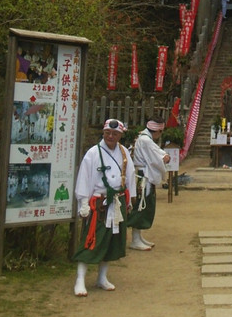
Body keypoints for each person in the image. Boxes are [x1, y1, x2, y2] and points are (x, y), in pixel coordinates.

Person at [72, 118, 136, 296]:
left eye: (115, 134)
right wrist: (83, 202)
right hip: (98, 203)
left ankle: (102, 277)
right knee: (91, 239)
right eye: (108, 133)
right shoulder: (93, 153)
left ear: (120, 135)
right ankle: (80, 279)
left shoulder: (124, 153)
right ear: (103, 133)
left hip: (117, 201)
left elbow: (130, 176)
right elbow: (84, 178)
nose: (111, 136)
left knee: (111, 240)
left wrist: (130, 200)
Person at [128, 120, 168, 251]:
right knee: (140, 206)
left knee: (143, 205)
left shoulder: (143, 138)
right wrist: (164, 158)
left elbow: (155, 153)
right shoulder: (146, 140)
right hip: (143, 175)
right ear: (157, 131)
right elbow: (156, 159)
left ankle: (138, 237)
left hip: (143, 174)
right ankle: (135, 239)